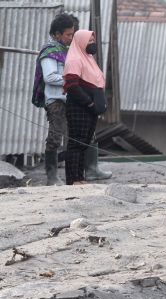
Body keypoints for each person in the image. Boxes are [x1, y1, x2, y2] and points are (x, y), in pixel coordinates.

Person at [32, 14, 75, 186]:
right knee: (56, 137)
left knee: (74, 137)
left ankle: (74, 175)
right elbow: (50, 77)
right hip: (56, 101)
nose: (71, 38)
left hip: (68, 99)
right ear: (57, 34)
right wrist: (71, 81)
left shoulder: (65, 50)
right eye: (68, 35)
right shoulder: (50, 51)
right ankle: (51, 177)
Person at [63, 30, 106, 185]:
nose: (92, 43)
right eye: (89, 40)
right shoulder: (74, 59)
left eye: (93, 40)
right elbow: (72, 86)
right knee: (76, 142)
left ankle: (80, 177)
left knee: (84, 143)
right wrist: (89, 102)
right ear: (81, 41)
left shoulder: (88, 58)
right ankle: (73, 179)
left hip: (89, 110)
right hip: (79, 108)